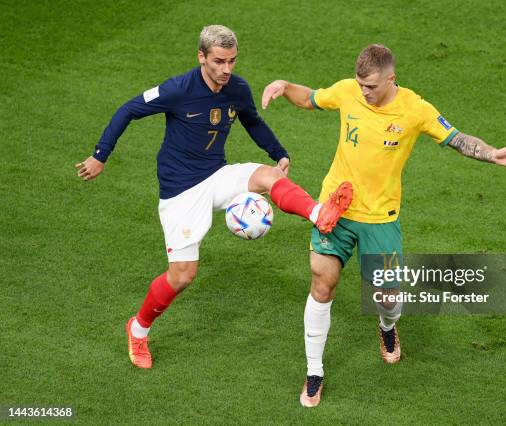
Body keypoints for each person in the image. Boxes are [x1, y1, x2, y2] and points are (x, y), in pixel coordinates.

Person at [262, 44, 506, 407]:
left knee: (388, 298)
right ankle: (315, 372)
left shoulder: (415, 109)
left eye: (371, 86)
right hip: (335, 211)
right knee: (322, 283)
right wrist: (283, 84)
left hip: (381, 220)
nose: (364, 92)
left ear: (391, 79)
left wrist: (492, 153)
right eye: (361, 85)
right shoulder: (347, 91)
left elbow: (457, 139)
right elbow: (311, 98)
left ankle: (387, 327)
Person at [75, 25, 353, 370]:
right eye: (219, 61)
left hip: (217, 175)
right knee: (183, 276)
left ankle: (317, 213)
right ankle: (138, 329)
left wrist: (278, 151)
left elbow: (251, 120)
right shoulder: (178, 89)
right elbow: (128, 109)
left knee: (270, 175)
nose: (226, 70)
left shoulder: (236, 87)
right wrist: (100, 155)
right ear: (202, 57)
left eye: (232, 61)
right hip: (181, 192)